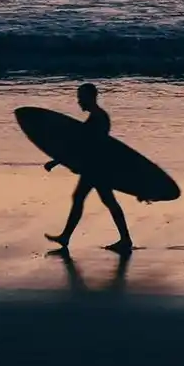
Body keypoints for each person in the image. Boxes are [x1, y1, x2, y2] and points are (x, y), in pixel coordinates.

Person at [45, 83, 134, 256]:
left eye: (81, 97)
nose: (79, 101)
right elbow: (84, 145)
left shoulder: (98, 118)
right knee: (96, 199)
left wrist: (57, 162)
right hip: (96, 167)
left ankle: (125, 239)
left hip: (97, 168)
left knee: (94, 199)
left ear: (90, 97)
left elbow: (84, 146)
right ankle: (124, 239)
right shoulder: (98, 117)